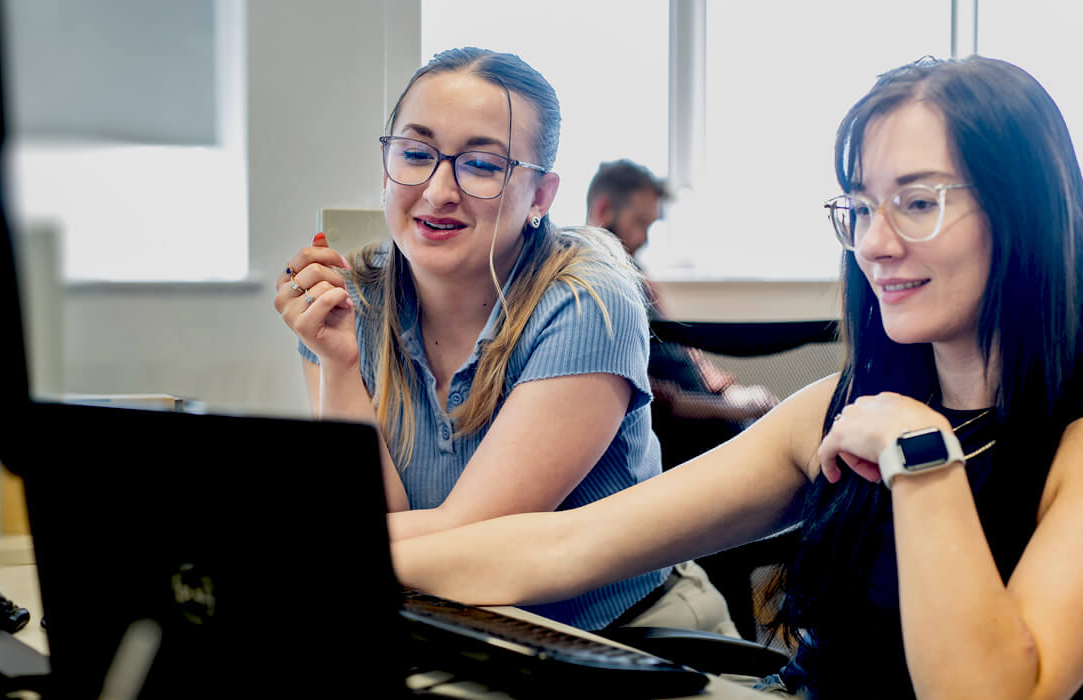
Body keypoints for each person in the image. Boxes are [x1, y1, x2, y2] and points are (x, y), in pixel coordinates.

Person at [392, 55, 1083, 699]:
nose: (874, 243)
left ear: (1022, 208)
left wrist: (920, 455)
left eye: (920, 203)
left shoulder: (1067, 447)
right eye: (863, 207)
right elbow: (565, 544)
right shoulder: (836, 409)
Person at [273, 47, 735, 635]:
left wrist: (291, 543)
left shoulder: (587, 300)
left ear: (541, 197)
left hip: (630, 637)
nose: (439, 190)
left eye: (482, 165)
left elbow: (474, 538)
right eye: (415, 154)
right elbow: (381, 529)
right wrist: (339, 363)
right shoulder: (344, 299)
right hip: (455, 628)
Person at [586, 159, 776, 466]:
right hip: (684, 444)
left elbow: (679, 346)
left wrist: (721, 385)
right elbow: (653, 397)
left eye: (650, 226)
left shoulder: (637, 274)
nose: (643, 239)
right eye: (639, 223)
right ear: (603, 209)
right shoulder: (593, 288)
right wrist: (731, 409)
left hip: (711, 416)